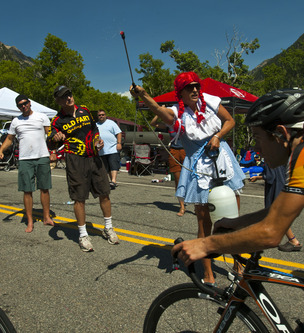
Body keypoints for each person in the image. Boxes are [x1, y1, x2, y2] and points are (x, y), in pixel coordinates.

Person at [173, 88, 304, 332]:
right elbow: (279, 209)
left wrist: (205, 245)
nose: (257, 149)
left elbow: (272, 233)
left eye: (258, 138)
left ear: (280, 133)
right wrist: (237, 223)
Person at [131, 72, 245, 286]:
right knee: (204, 222)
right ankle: (208, 272)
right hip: (198, 167)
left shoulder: (210, 102)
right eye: (188, 87)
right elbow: (158, 111)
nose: (194, 90)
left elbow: (230, 121)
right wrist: (144, 95)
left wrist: (217, 136)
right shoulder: (176, 113)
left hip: (223, 160)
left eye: (196, 86)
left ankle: (238, 264)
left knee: (233, 217)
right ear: (180, 92)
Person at [50, 85, 119, 252]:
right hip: (75, 160)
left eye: (69, 94)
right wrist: (56, 138)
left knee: (104, 192)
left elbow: (94, 129)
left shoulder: (85, 110)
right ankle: (82, 234)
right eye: (64, 96)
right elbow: (50, 141)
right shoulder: (57, 120)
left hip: (94, 157)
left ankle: (108, 227)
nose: (69, 97)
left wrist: (98, 140)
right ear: (58, 101)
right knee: (79, 197)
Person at [0, 94, 55, 233]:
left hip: (42, 156)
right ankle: (30, 221)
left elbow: (50, 136)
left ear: (30, 103)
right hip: (25, 159)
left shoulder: (42, 117)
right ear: (18, 107)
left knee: (44, 188)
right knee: (27, 190)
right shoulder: (16, 121)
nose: (23, 106)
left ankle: (46, 217)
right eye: (20, 105)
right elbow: (10, 138)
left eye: (25, 103)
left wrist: (53, 152)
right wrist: (0, 150)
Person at [249, 165, 303, 251]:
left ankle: (293, 240)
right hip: (283, 185)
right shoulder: (281, 155)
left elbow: (270, 176)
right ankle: (267, 237)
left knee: (277, 215)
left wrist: (258, 177)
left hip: (275, 187)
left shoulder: (270, 157)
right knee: (276, 215)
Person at [150, 115, 186, 216]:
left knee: (192, 180)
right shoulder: (169, 124)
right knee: (178, 181)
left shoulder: (187, 121)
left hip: (187, 151)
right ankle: (182, 206)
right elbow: (153, 123)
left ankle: (197, 206)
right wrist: (159, 112)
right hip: (174, 151)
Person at [96, 109, 123, 189]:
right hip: (102, 150)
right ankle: (111, 182)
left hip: (113, 148)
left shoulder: (111, 123)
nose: (101, 116)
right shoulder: (96, 125)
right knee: (106, 168)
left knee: (113, 165)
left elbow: (119, 133)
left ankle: (113, 181)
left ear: (105, 115)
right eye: (99, 115)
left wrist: (119, 143)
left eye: (103, 114)